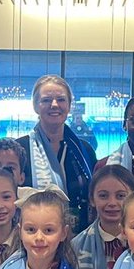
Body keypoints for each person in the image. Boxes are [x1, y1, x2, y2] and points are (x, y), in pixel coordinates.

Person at [15, 75, 97, 229]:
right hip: (35, 239)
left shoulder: (84, 151)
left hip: (80, 239)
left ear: (69, 105)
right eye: (46, 100)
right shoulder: (20, 149)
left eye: (61, 99)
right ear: (35, 106)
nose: (54, 105)